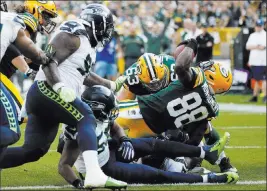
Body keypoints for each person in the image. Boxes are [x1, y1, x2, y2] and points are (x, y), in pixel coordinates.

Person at [0, 4, 127, 189]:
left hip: (49, 97)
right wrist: (58, 86)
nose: (107, 32)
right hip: (47, 90)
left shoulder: (87, 45)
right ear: (97, 23)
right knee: (86, 116)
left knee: (33, 151)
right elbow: (49, 59)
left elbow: (84, 74)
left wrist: (111, 84)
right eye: (106, 27)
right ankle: (94, 173)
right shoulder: (75, 31)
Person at [57, 85, 238, 189]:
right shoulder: (77, 129)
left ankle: (206, 152)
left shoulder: (98, 116)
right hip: (104, 166)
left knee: (155, 144)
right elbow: (63, 165)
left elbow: (114, 126)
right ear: (96, 109)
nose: (112, 113)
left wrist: (124, 140)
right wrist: (78, 183)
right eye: (108, 110)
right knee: (158, 175)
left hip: (109, 147)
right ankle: (213, 179)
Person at [0, 6, 50, 160]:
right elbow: (16, 52)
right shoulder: (14, 22)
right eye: (46, 16)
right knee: (14, 123)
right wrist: (30, 70)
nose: (48, 21)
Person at [246, 19, 266, 103]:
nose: (258, 27)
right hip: (254, 61)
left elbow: (263, 47)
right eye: (257, 26)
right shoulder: (252, 35)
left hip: (263, 61)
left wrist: (255, 46)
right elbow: (247, 46)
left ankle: (265, 95)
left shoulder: (265, 35)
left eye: (259, 26)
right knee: (257, 79)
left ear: (262, 26)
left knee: (264, 79)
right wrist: (257, 46)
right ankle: (255, 96)